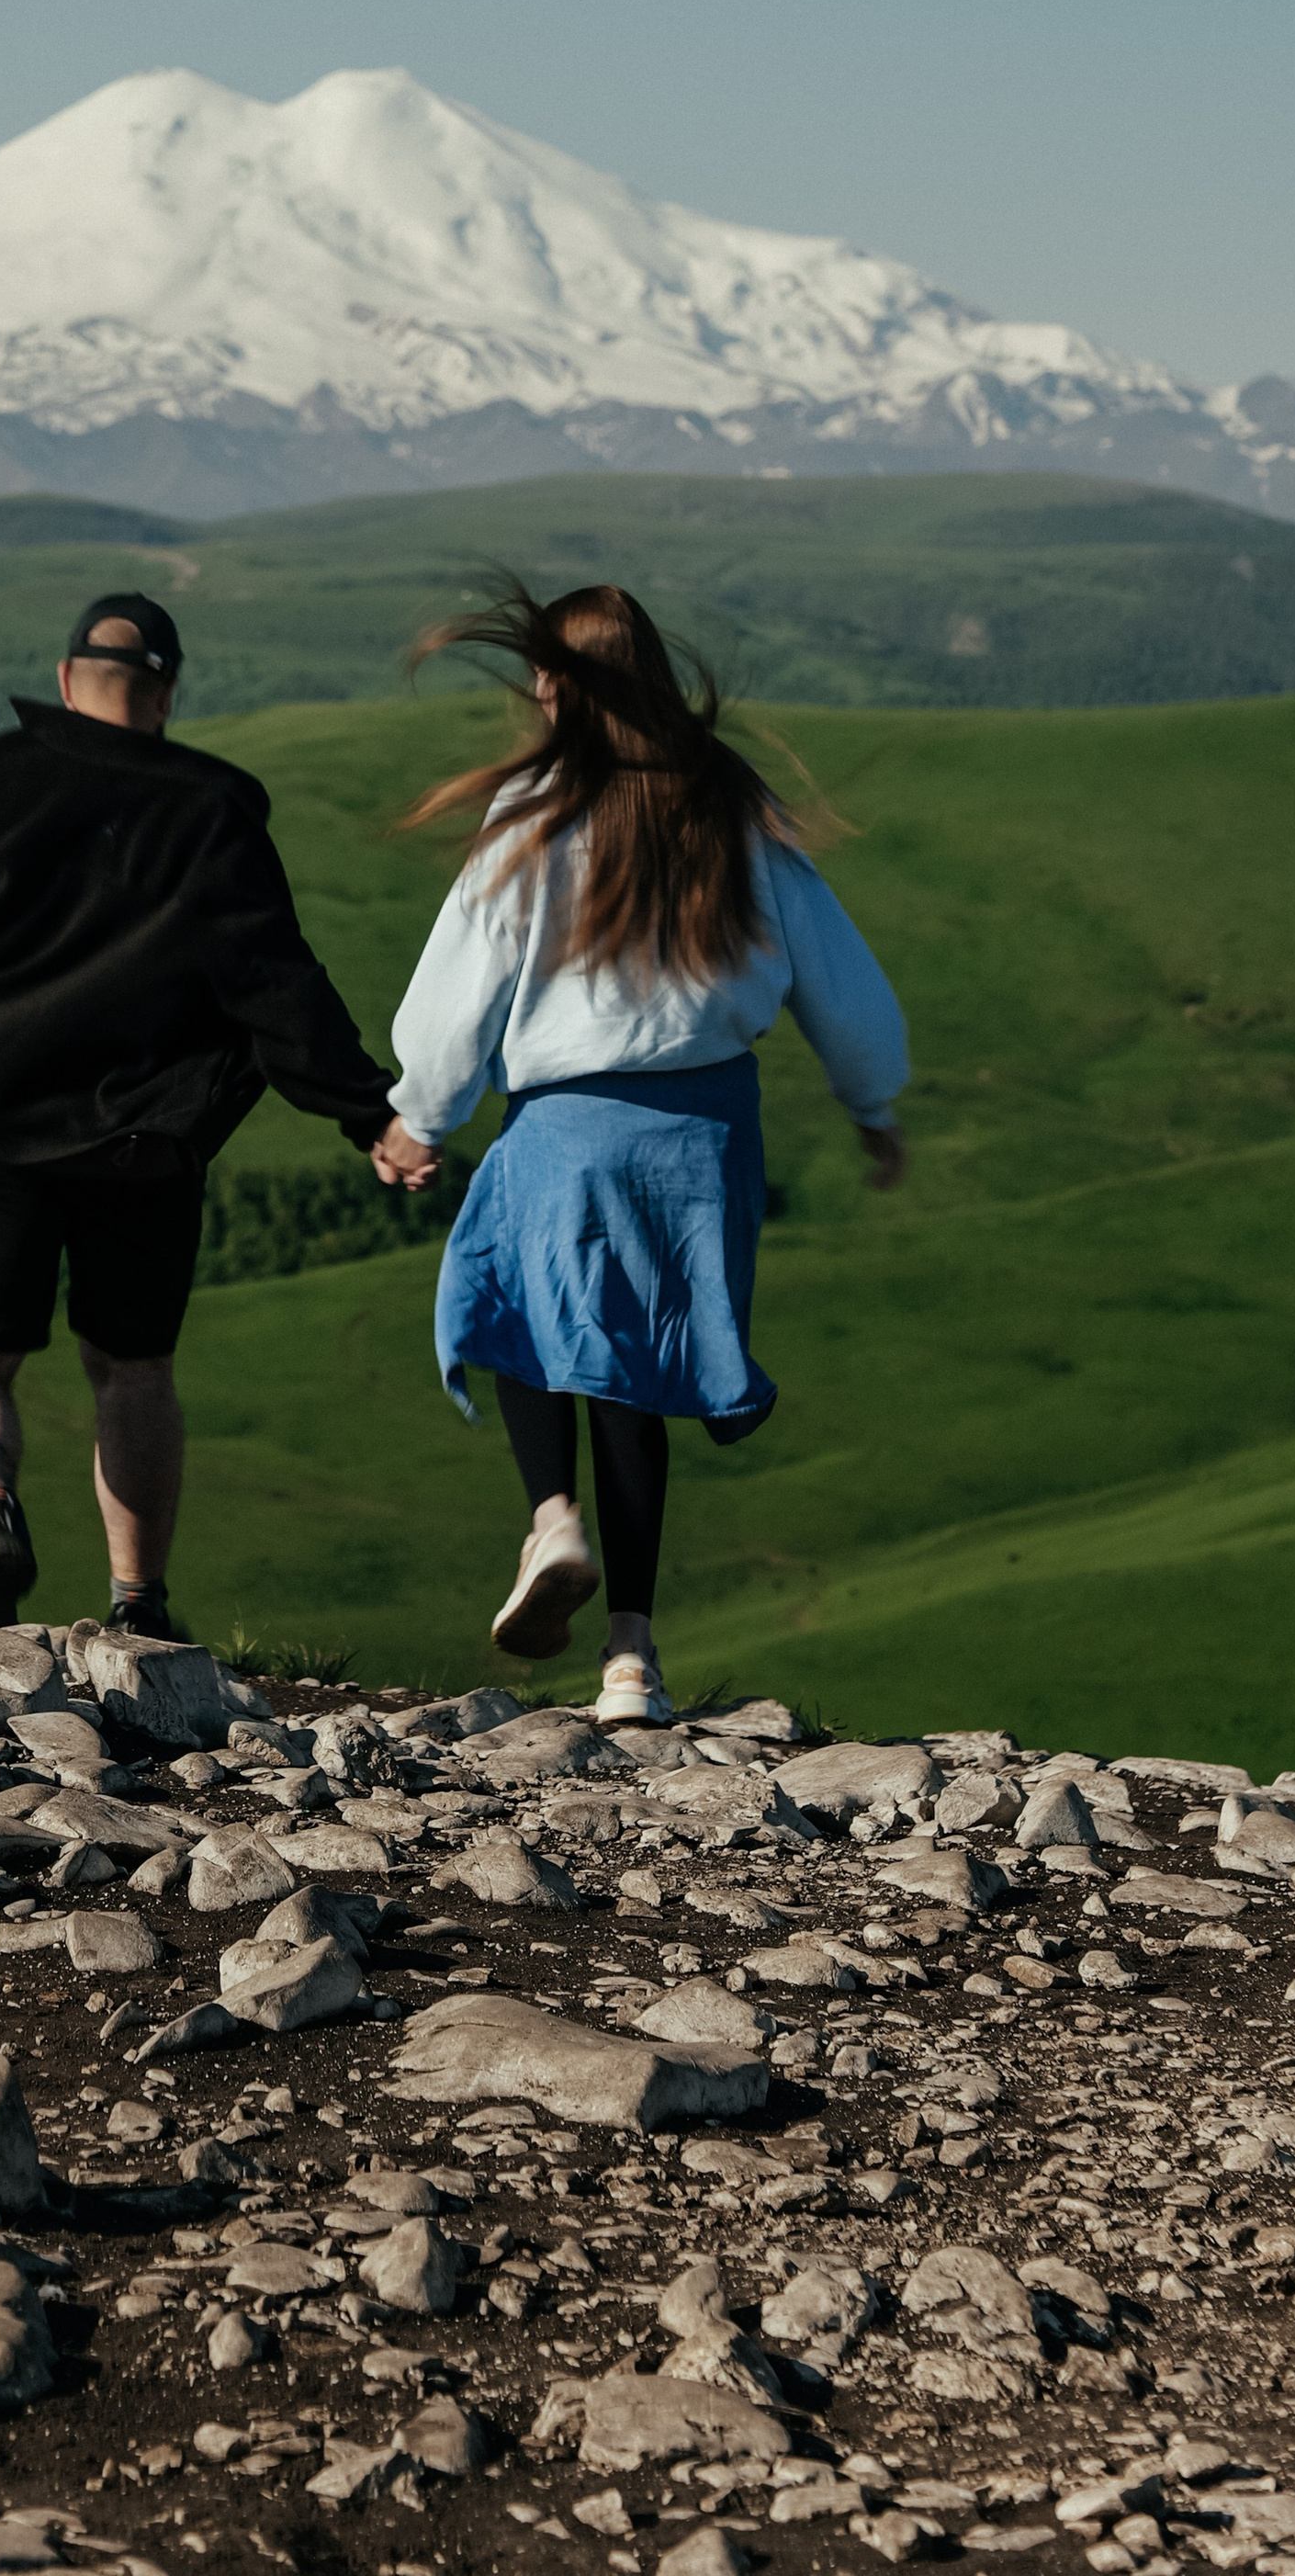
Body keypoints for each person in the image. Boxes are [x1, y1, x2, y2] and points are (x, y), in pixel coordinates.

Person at [367, 580, 907, 1729]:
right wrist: (873, 1101)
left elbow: (467, 979)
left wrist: (421, 1115)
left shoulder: (536, 809)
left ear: (557, 684)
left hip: (566, 1123)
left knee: (510, 1299)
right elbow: (835, 974)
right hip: (705, 1138)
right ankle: (632, 1661)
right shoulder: (729, 802)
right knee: (638, 1378)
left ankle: (552, 1517)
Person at [0, 591, 399, 1633]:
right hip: (144, 1149)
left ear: (66, 678)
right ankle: (139, 1605)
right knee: (133, 1369)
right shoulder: (215, 814)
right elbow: (277, 990)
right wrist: (372, 1119)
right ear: (166, 694)